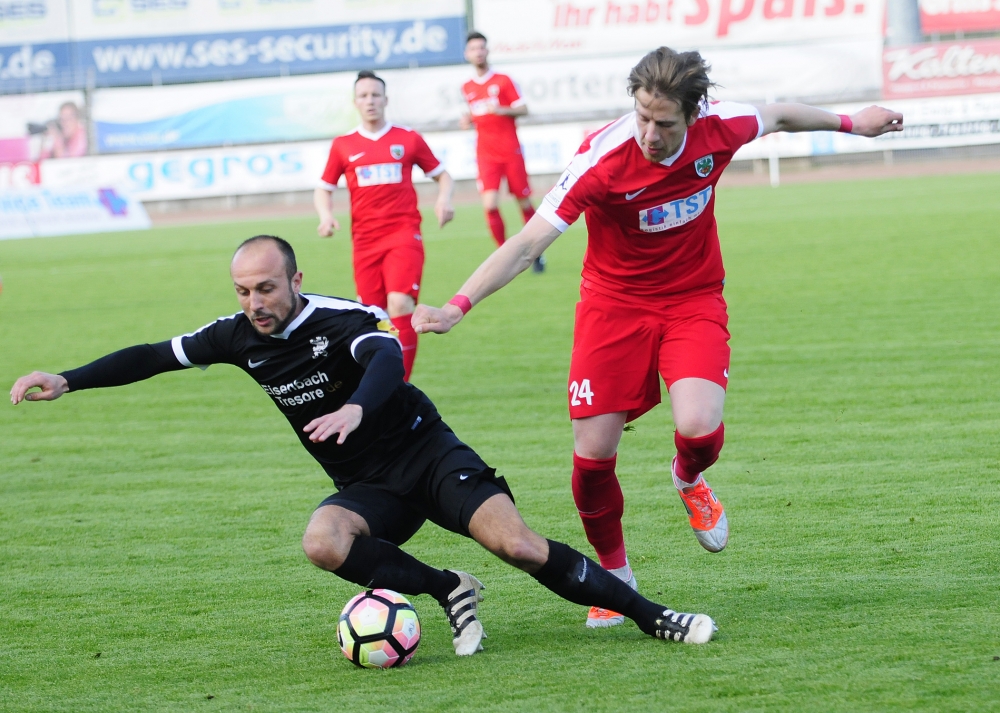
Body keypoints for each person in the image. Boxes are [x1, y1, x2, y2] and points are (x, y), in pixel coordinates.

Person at [9, 235, 718, 654]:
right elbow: (154, 355)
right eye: (242, 290)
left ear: (295, 280)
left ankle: (654, 616)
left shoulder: (341, 315)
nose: (254, 303)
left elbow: (387, 359)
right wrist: (68, 379)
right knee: (323, 539)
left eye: (265, 287)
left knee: (521, 546)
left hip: (426, 452)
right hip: (369, 486)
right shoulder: (234, 335)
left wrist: (355, 406)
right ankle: (450, 588)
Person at [414, 47, 904, 628]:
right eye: (642, 115)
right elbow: (527, 245)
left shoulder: (723, 127)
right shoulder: (602, 160)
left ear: (693, 114)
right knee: (593, 456)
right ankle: (616, 577)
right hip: (612, 308)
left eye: (663, 122)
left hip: (692, 300)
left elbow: (779, 114)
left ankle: (688, 477)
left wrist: (853, 123)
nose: (648, 131)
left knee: (699, 428)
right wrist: (457, 305)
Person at [314, 70, 454, 381]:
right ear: (355, 102)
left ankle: (399, 385)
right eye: (363, 96)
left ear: (386, 99)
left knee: (399, 302)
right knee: (372, 315)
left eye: (375, 95)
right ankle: (381, 379)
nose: (370, 101)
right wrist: (326, 215)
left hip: (404, 234)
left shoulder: (408, 138)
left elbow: (443, 175)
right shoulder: (343, 145)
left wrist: (445, 199)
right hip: (364, 242)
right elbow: (324, 187)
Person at [461, 31, 545, 272]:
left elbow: (524, 109)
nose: (478, 52)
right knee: (489, 204)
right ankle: (502, 254)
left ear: (487, 51)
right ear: (467, 54)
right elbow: (477, 114)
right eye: (474, 48)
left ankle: (536, 251)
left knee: (524, 201)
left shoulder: (503, 81)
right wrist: (468, 120)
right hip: (485, 153)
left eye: (481, 47)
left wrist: (501, 109)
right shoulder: (466, 87)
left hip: (510, 150)